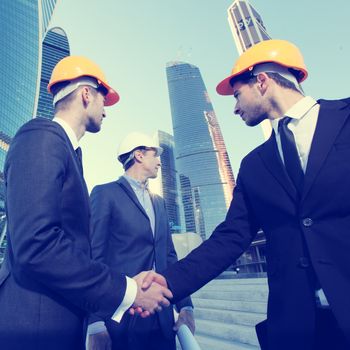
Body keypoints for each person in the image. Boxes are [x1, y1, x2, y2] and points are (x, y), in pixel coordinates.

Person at [140, 39, 350, 350]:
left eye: (237, 95)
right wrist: (168, 281)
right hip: (297, 329)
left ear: (262, 81)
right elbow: (229, 239)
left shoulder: (345, 120)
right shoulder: (254, 165)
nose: (235, 107)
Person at [0, 56, 171, 350]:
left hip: (57, 325)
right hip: (34, 330)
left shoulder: (69, 152)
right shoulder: (40, 136)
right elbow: (37, 244)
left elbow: (77, 251)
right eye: (103, 98)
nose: (106, 110)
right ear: (86, 94)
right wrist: (128, 291)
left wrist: (125, 279)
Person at [86, 132, 195, 350]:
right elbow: (92, 258)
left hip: (163, 322)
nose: (159, 163)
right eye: (155, 155)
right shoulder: (105, 193)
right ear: (139, 155)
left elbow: (170, 257)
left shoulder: (159, 203)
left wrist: (186, 306)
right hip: (121, 321)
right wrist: (95, 323)